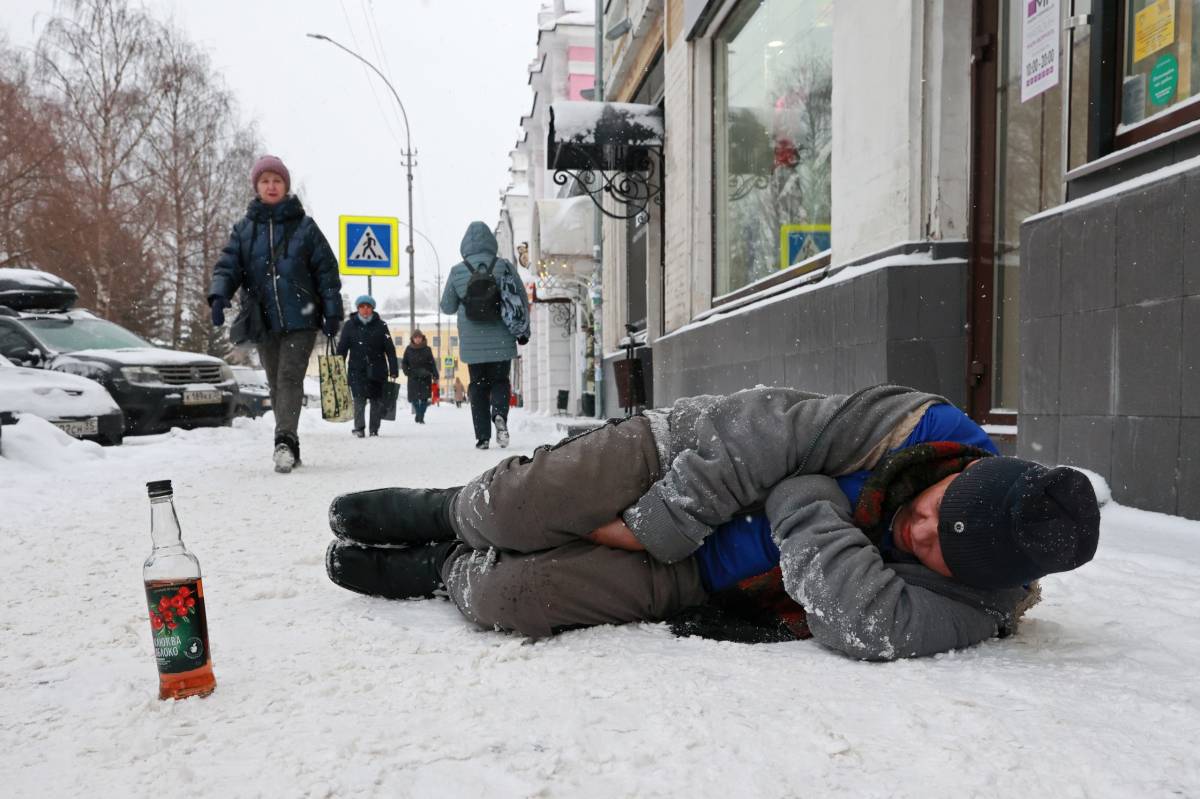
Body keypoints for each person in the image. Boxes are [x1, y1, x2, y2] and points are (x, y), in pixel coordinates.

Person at [323, 384, 1101, 661]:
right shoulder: (916, 423)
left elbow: (863, 618)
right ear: (960, 471)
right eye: (933, 514)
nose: (916, 535)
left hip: (705, 577)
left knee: (516, 598)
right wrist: (654, 523)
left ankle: (440, 569)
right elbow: (764, 430)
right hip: (684, 456)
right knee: (527, 508)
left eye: (935, 553)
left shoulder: (984, 604)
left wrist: (805, 495)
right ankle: (449, 510)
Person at [209, 154, 342, 473]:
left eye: (277, 180)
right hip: (263, 319)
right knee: (275, 382)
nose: (271, 186)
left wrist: (332, 310)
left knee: (289, 376)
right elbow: (229, 265)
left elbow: (326, 269)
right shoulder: (244, 230)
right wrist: (219, 295)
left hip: (302, 318)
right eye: (265, 181)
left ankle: (285, 442)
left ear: (285, 186)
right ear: (257, 186)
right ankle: (287, 441)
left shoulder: (305, 227)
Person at [440, 221, 529, 450]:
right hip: (501, 338)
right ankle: (499, 414)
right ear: (491, 242)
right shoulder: (504, 266)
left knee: (478, 386)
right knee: (500, 381)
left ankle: (482, 437)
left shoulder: (457, 271)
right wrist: (523, 331)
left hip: (472, 342)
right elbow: (520, 299)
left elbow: (447, 307)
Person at [335, 295, 398, 438]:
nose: (365, 310)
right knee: (359, 399)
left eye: (368, 307)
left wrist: (393, 369)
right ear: (357, 308)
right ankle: (359, 428)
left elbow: (390, 349)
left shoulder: (381, 326)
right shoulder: (349, 325)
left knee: (376, 400)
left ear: (372, 309)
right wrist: (338, 367)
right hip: (357, 370)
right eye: (362, 307)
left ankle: (374, 429)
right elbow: (342, 348)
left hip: (378, 369)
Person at [401, 329, 436, 424]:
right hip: (413, 377)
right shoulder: (408, 349)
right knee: (414, 398)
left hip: (425, 377)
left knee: (424, 398)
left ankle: (420, 416)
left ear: (422, 338)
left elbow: (432, 363)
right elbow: (404, 362)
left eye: (419, 337)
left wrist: (435, 374)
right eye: (415, 337)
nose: (417, 339)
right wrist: (407, 372)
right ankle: (419, 414)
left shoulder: (427, 349)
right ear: (412, 339)